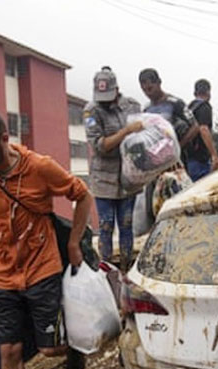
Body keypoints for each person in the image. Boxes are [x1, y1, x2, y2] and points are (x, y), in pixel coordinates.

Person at [0, 110, 94, 369]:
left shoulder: (39, 167)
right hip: (2, 274)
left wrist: (74, 243)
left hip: (41, 267)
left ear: (4, 139)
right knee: (9, 351)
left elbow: (82, 195)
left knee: (50, 349)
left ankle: (73, 349)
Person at [83, 67, 142, 270]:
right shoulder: (91, 111)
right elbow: (100, 146)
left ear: (117, 89)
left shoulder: (132, 106)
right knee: (106, 227)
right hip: (103, 179)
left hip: (128, 176)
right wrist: (125, 132)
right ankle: (106, 270)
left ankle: (126, 268)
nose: (106, 101)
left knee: (126, 225)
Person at [138, 68, 200, 159]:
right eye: (144, 90)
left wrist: (178, 146)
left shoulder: (175, 103)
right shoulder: (146, 110)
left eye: (150, 88)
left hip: (177, 160)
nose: (148, 93)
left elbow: (195, 127)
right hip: (156, 160)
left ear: (159, 82)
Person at [186, 79, 218, 181]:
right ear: (208, 92)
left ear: (195, 93)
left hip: (187, 157)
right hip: (200, 159)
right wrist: (214, 155)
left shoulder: (189, 108)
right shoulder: (204, 106)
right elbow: (203, 129)